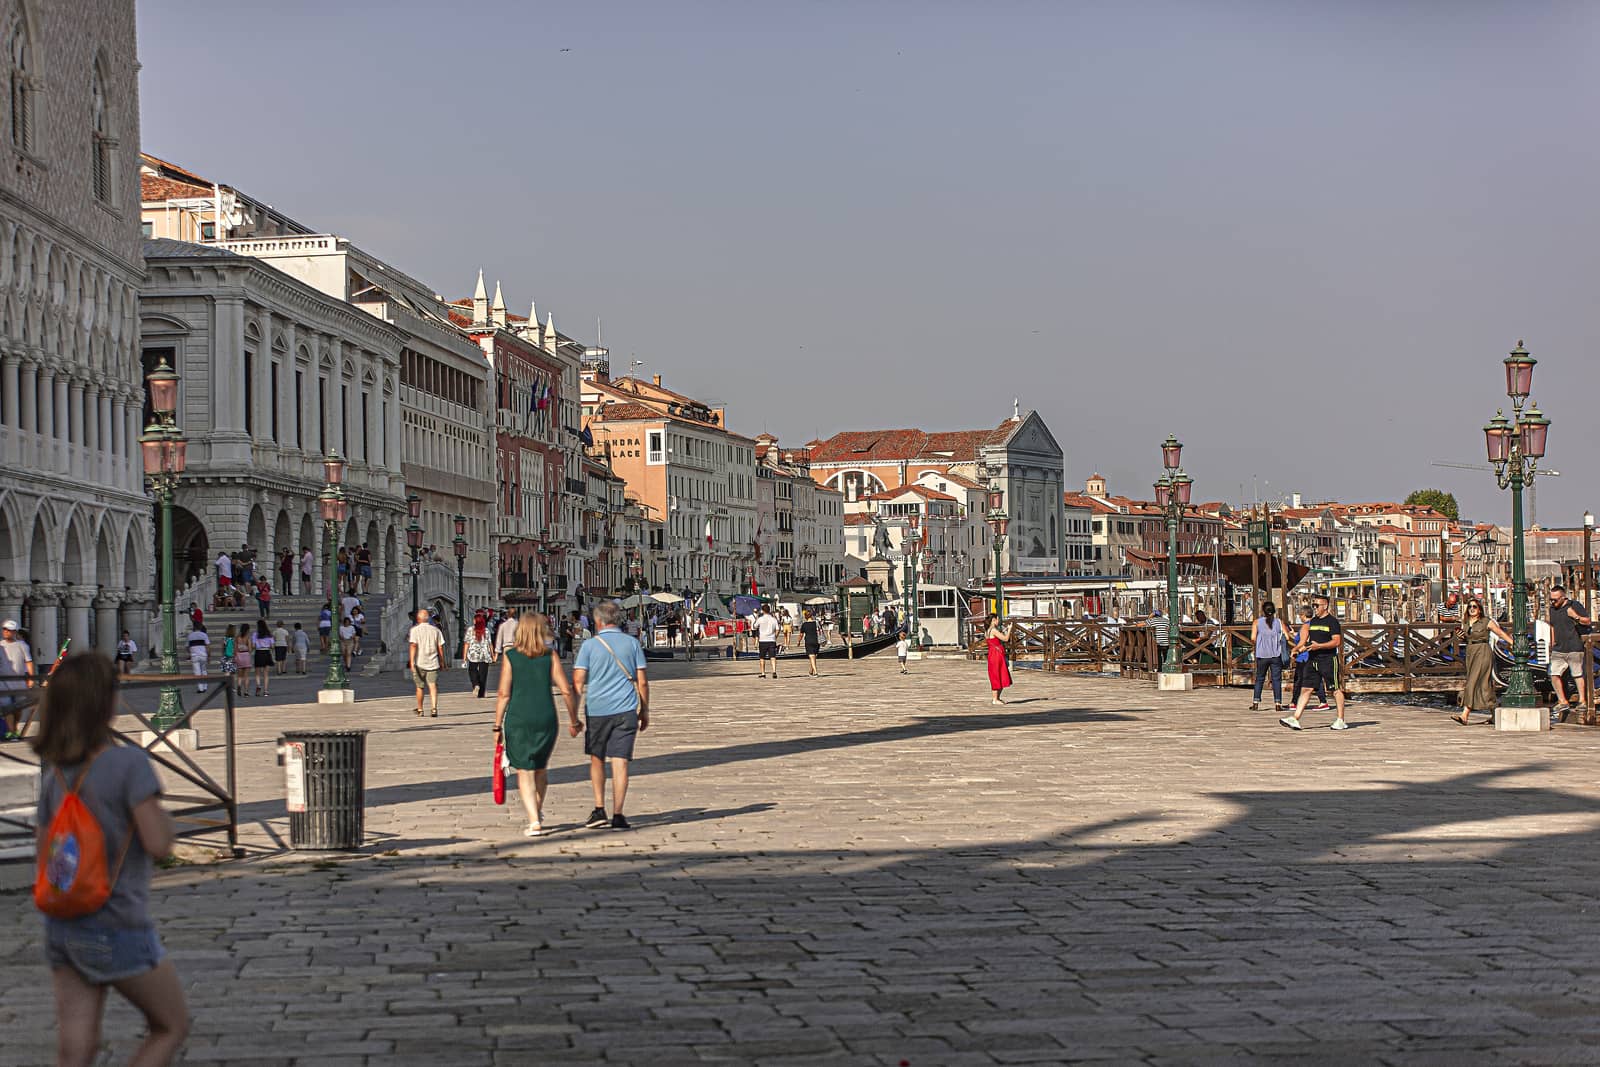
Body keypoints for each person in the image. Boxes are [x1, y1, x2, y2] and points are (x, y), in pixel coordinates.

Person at [33, 653, 189, 1066]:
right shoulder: (127, 762)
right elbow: (158, 844)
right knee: (170, 1025)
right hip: (116, 920)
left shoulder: (55, 774)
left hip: (63, 922)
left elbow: (43, 852)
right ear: (103, 702)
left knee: (75, 1043)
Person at [493, 613, 580, 837]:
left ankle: (534, 819)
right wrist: (574, 719)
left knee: (524, 769)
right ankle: (537, 812)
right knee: (540, 767)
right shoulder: (550, 656)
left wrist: (496, 725)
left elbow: (503, 693)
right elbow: (566, 690)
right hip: (545, 716)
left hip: (518, 717)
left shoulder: (511, 656)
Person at [572, 600, 649, 831]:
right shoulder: (632, 644)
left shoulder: (589, 646)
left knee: (597, 759)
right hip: (626, 709)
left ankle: (599, 809)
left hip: (597, 710)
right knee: (620, 761)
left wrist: (573, 716)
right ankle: (618, 813)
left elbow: (577, 681)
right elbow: (642, 681)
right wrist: (644, 710)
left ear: (597, 621)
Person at [1281, 594, 1348, 730]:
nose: (1315, 608)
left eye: (1317, 605)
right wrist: (1297, 649)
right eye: (1314, 605)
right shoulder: (1313, 622)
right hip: (1312, 659)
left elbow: (1336, 641)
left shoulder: (1332, 622)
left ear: (1325, 606)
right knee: (1306, 689)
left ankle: (1340, 719)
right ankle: (1295, 718)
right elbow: (1304, 640)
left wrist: (1319, 646)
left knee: (1335, 689)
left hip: (1328, 659)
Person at [1455, 597, 1511, 725]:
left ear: (1479, 609)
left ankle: (1465, 715)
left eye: (1475, 607)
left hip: (1483, 651)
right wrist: (1460, 637)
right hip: (1471, 652)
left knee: (1472, 682)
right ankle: (1494, 712)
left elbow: (1500, 633)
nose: (1472, 609)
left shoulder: (1486, 621)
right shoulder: (1465, 622)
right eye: (1470, 607)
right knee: (1484, 685)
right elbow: (1464, 639)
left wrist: (1512, 642)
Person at [1547, 584, 1592, 725]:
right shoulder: (1552, 609)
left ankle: (1582, 700)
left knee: (1577, 674)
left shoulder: (1574, 606)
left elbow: (1587, 621)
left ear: (1563, 597)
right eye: (1551, 600)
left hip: (1574, 646)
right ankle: (1563, 700)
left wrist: (1575, 616)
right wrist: (1552, 641)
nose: (1553, 602)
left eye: (1555, 600)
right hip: (1558, 648)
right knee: (1553, 674)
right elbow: (1552, 626)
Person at [1248, 602, 1288, 711]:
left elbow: (1253, 638)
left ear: (1263, 611)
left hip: (1262, 654)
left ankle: (1256, 702)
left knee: (1260, 678)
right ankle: (1278, 703)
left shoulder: (1257, 622)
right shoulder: (1279, 622)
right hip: (1276, 654)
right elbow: (1287, 636)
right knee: (1276, 679)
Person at [1, 619, 36, 740]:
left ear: (14, 632)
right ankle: (11, 732)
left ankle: (15, 727)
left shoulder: (22, 645)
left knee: (18, 708)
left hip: (19, 681)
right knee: (6, 707)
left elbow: (29, 662)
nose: (6, 632)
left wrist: (31, 677)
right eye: (4, 629)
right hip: (3, 682)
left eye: (9, 630)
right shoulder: (0, 646)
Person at [408, 608, 445, 718]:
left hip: (419, 662)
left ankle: (420, 709)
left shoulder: (414, 630)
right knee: (433, 686)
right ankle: (434, 708)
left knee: (420, 687)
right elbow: (440, 647)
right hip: (433, 661)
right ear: (428, 618)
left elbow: (413, 646)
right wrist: (442, 661)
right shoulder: (436, 630)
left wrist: (411, 661)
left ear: (418, 619)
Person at [462, 610, 494, 698]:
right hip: (484, 655)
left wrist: (464, 658)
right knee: (483, 674)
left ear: (475, 621)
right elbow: (490, 643)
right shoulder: (486, 630)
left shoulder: (470, 630)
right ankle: (481, 693)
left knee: (472, 670)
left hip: (473, 654)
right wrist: (493, 655)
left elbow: (466, 644)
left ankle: (476, 684)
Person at [985, 614, 1013, 705]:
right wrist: (1009, 629)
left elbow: (996, 638)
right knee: (998, 675)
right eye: (997, 619)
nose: (998, 621)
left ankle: (997, 698)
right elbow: (1005, 638)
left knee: (997, 675)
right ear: (994, 620)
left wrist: (1004, 630)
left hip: (992, 655)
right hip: (997, 655)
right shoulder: (993, 630)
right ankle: (995, 699)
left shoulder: (988, 631)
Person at [755, 605, 781, 679]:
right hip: (771, 640)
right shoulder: (773, 619)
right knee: (773, 656)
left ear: (763, 611)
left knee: (762, 657)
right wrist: (775, 636)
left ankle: (763, 673)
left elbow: (754, 626)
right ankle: (774, 671)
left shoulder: (760, 619)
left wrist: (756, 619)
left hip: (763, 640)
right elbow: (778, 629)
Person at [249, 620, 274, 697]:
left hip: (259, 653)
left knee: (257, 673)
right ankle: (266, 691)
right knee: (266, 674)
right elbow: (272, 646)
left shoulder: (255, 634)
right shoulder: (269, 634)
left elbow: (253, 646)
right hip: (266, 652)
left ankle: (258, 685)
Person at [186, 623, 209, 694]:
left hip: (194, 656)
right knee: (204, 671)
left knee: (197, 672)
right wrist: (209, 655)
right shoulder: (204, 635)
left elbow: (187, 646)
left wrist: (190, 652)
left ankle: (200, 688)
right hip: (203, 655)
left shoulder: (190, 636)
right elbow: (208, 646)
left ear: (193, 628)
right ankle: (205, 687)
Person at [799, 609, 821, 677]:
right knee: (814, 657)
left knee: (812, 656)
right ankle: (811, 671)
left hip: (809, 641)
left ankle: (816, 672)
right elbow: (820, 631)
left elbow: (801, 634)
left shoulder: (804, 624)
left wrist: (799, 641)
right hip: (816, 641)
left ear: (805, 616)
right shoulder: (816, 623)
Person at [220, 626, 239, 697]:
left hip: (225, 657)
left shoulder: (224, 639)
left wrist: (223, 656)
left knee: (226, 672)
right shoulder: (234, 639)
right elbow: (235, 650)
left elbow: (222, 648)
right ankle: (233, 687)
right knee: (233, 673)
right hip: (232, 657)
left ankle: (226, 687)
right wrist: (235, 657)